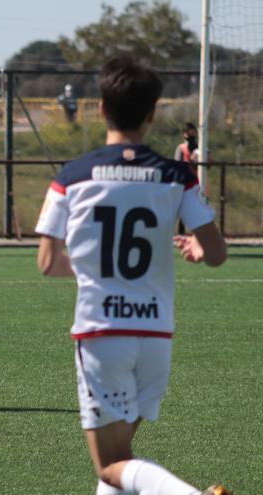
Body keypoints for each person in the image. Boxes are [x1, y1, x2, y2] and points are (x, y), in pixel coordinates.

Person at [35, 56, 230, 495]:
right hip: (156, 334)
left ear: (101, 108)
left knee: (111, 464)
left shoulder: (72, 177)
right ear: (152, 113)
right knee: (122, 455)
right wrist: (198, 249)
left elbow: (48, 261)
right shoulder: (177, 176)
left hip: (103, 333)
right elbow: (216, 253)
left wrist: (95, 271)